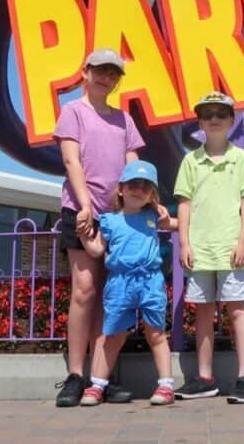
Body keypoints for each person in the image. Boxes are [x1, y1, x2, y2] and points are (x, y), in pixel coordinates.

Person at [53, 48, 145, 407]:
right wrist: (86, 206)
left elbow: (133, 168)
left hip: (117, 218)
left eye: (113, 73)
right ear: (85, 72)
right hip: (80, 211)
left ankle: (99, 379)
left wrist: (135, 209)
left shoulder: (124, 120)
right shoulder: (72, 112)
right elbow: (71, 160)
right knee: (85, 291)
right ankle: (75, 375)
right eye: (101, 70)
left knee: (111, 298)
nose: (107, 77)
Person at [173, 91, 244, 404]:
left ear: (231, 121)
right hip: (200, 250)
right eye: (207, 114)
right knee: (204, 313)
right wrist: (184, 242)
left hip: (230, 248)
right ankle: (205, 378)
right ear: (199, 121)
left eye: (220, 114)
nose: (213, 119)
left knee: (238, 311)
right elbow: (184, 203)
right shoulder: (190, 160)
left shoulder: (242, 159)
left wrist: (243, 241)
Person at [79, 161, 177, 406]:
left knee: (155, 332)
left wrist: (164, 208)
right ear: (121, 189)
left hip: (150, 280)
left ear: (152, 194)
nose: (139, 190)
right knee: (112, 335)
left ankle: (166, 385)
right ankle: (97, 385)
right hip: (119, 282)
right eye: (134, 184)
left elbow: (179, 223)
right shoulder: (109, 220)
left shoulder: (153, 215)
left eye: (146, 187)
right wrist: (82, 234)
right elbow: (96, 249)